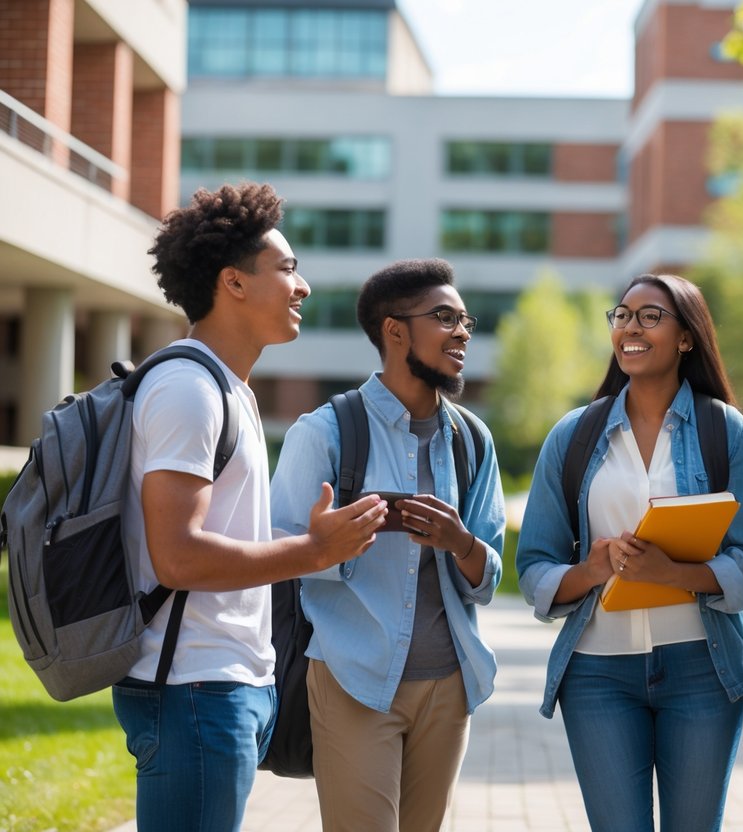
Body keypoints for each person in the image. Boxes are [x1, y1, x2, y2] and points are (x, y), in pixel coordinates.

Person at [114, 183, 389, 832]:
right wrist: (316, 551)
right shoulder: (189, 390)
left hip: (223, 681)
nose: (303, 287)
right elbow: (178, 556)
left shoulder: (225, 387)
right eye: (288, 269)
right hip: (192, 686)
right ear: (233, 283)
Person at [515, 273, 743, 832]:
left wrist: (673, 573)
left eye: (650, 316)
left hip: (703, 668)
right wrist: (592, 568)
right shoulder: (572, 436)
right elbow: (533, 567)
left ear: (686, 337)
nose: (630, 326)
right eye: (622, 315)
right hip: (598, 674)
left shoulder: (723, 430)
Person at [270, 258, 505, 832]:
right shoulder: (323, 432)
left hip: (448, 685)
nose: (463, 332)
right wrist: (332, 545)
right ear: (395, 330)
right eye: (444, 318)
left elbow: (491, 575)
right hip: (353, 676)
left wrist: (459, 541)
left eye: (465, 319)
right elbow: (275, 556)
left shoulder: (471, 439)